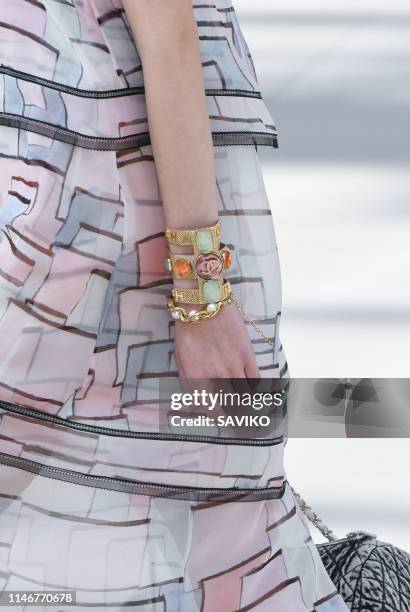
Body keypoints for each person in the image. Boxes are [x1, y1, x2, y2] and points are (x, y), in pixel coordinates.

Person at [0, 1, 348, 609]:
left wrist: (199, 293)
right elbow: (168, 36)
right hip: (107, 223)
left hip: (76, 220)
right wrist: (202, 294)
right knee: (211, 506)